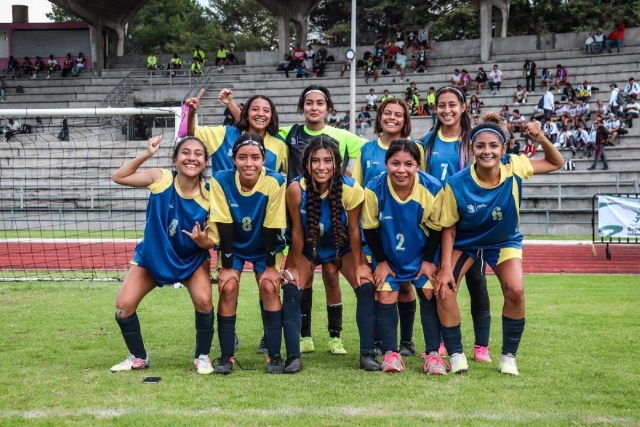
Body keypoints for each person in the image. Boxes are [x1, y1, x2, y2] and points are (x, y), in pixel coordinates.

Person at [436, 116, 564, 376]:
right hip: (466, 241)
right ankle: (457, 355)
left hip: (503, 240)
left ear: (503, 149)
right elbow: (448, 228)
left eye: (493, 146)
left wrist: (540, 138)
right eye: (480, 146)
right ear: (472, 149)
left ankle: (508, 357)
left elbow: (555, 162)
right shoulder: (456, 183)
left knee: (516, 290)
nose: (487, 151)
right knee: (445, 289)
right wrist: (445, 267)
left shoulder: (514, 165)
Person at [109, 135, 216, 375]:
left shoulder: (210, 195)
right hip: (153, 257)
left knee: (204, 301)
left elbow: (212, 240)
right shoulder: (162, 178)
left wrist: (202, 241)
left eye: (198, 154)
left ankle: (202, 356)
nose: (192, 158)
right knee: (123, 307)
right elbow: (119, 177)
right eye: (186, 152)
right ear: (175, 158)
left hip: (191, 259)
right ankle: (138, 357)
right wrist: (147, 153)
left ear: (204, 162)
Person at [273, 86, 366, 355]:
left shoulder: (343, 136)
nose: (314, 107)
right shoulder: (288, 134)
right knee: (302, 279)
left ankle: (334, 336)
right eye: (309, 103)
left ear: (329, 107)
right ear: (302, 107)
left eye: (320, 103)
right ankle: (304, 336)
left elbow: (377, 148)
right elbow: (259, 129)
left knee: (331, 275)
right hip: (304, 214)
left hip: (333, 223)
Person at [283, 136, 376, 370]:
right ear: (306, 163)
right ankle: (294, 356)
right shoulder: (295, 189)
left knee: (366, 287)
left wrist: (361, 264)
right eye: (315, 161)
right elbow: (296, 232)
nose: (321, 167)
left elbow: (354, 230)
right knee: (292, 289)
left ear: (337, 163)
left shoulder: (351, 188)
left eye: (328, 160)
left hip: (340, 247)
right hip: (307, 248)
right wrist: (292, 266)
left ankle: (367, 354)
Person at [352, 99, 428, 359]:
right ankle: (379, 341)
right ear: (379, 117)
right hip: (375, 228)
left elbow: (420, 186)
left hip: (407, 229)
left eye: (398, 114)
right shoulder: (366, 150)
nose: (392, 118)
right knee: (379, 285)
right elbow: (358, 190)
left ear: (405, 119)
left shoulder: (416, 148)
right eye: (387, 113)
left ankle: (405, 341)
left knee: (405, 285)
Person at [420, 87, 491, 362]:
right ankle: (438, 341)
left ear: (463, 107)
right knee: (437, 278)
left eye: (452, 104)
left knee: (476, 280)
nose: (446, 110)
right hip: (437, 223)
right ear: (435, 109)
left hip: (469, 221)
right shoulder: (427, 141)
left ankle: (481, 345)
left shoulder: (474, 140)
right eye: (441, 105)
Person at [208, 134, 289, 374]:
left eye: (255, 157)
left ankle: (274, 356)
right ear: (233, 159)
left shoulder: (275, 181)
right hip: (233, 244)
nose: (249, 163)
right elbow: (224, 224)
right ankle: (226, 356)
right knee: (228, 287)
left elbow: (272, 226)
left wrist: (271, 267)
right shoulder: (220, 180)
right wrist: (227, 265)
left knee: (269, 287)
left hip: (266, 244)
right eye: (242, 157)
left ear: (264, 159)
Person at [362, 140, 444, 374]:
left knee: (428, 293)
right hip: (388, 255)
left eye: (409, 164)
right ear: (386, 164)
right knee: (386, 295)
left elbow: (437, 229)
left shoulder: (432, 188)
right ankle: (391, 354)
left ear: (418, 165)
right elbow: (369, 228)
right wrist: (382, 262)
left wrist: (429, 261)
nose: (401, 169)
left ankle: (433, 355)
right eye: (395, 163)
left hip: (422, 254)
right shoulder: (373, 189)